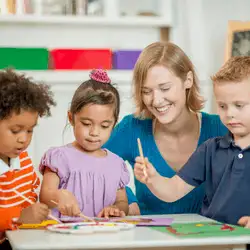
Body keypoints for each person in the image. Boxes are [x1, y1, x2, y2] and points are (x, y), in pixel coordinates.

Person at [104, 41, 227, 215]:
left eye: (165, 88)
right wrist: (127, 201)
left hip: (208, 238)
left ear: (188, 80)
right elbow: (95, 165)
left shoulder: (221, 129)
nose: (156, 100)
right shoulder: (132, 128)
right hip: (148, 238)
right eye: (147, 91)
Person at [134, 56, 250, 227]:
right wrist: (153, 179)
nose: (229, 114)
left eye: (239, 105)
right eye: (222, 106)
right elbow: (174, 190)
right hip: (212, 240)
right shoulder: (210, 149)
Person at [39, 69, 129, 220]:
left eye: (105, 126)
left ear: (114, 124)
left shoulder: (116, 164)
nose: (95, 132)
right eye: (87, 123)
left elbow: (122, 201)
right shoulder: (59, 157)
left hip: (103, 236)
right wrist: (59, 195)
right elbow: (45, 195)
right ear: (71, 118)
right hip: (63, 237)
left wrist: (116, 209)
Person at [0, 69, 56, 249]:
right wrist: (19, 216)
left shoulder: (22, 159)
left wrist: (43, 209)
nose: (23, 139)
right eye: (15, 131)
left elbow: (29, 195)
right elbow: (20, 214)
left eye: (30, 130)